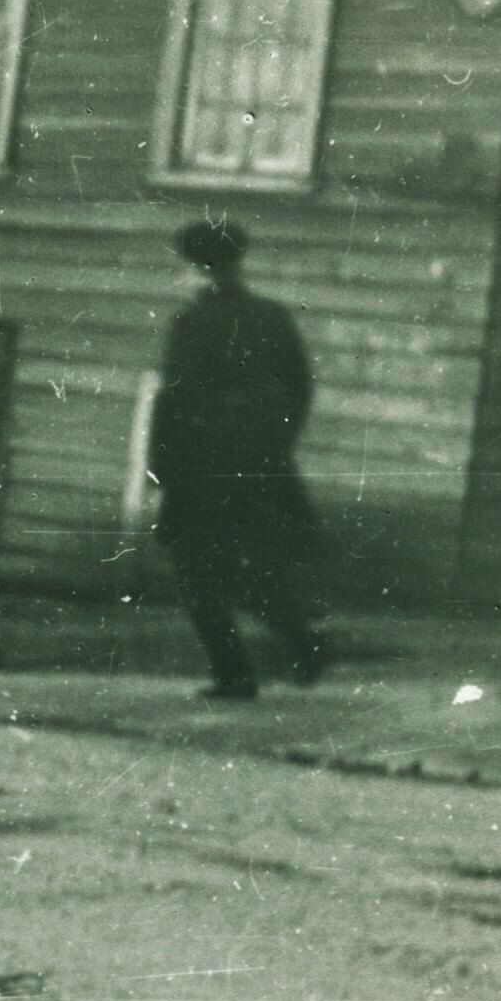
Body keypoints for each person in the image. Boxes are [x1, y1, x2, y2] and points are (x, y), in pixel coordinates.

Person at [147, 217, 327, 699]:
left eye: (184, 267)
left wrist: (159, 472)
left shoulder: (192, 323)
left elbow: (175, 402)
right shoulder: (272, 317)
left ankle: (237, 674)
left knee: (198, 577)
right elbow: (300, 389)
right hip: (263, 469)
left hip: (201, 472)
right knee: (252, 569)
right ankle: (301, 641)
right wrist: (275, 446)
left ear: (197, 270)